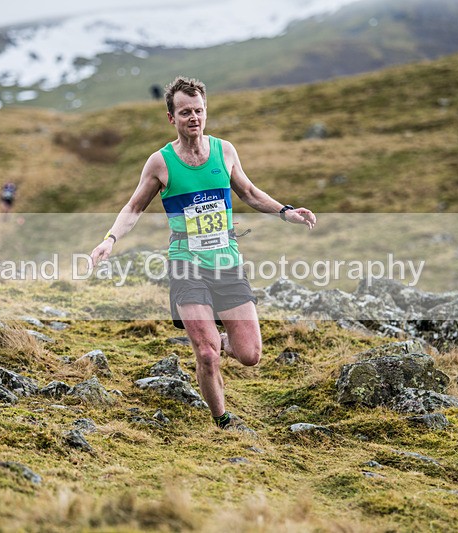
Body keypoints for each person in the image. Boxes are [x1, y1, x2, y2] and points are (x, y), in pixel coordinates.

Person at [90, 76, 316, 434]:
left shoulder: (224, 151)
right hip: (186, 264)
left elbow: (250, 193)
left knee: (249, 355)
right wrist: (110, 240)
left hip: (226, 261)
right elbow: (133, 208)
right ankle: (223, 422)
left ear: (205, 111)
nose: (193, 117)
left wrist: (286, 211)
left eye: (198, 110)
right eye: (184, 112)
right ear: (172, 118)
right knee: (207, 355)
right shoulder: (160, 163)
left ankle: (220, 338)